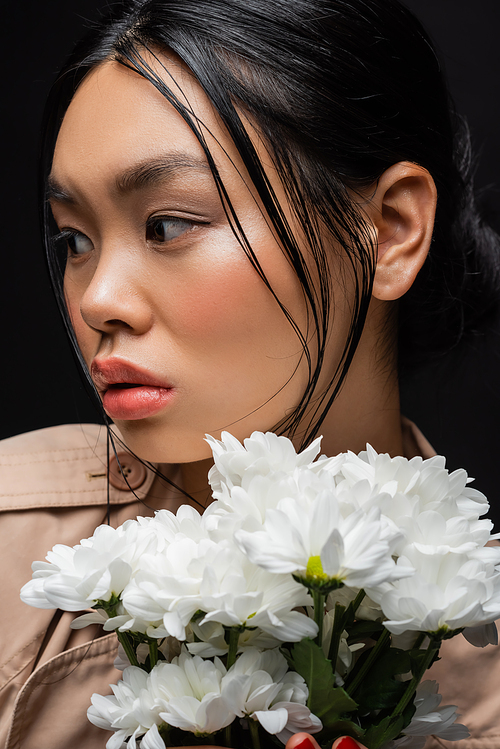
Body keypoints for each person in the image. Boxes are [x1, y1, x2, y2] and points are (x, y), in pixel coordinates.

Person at [1, 0, 499, 747]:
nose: (96, 297)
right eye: (74, 239)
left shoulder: (482, 665)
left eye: (167, 224)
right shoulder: (18, 547)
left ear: (390, 231)